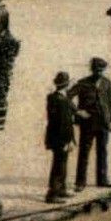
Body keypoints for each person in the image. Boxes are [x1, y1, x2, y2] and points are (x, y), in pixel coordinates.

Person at [70, 57, 111, 191]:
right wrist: (77, 111)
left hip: (103, 123)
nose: (99, 73)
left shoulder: (107, 83)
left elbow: (110, 102)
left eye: (101, 70)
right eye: (97, 70)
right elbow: (67, 96)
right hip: (88, 123)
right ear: (92, 69)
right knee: (84, 152)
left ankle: (102, 180)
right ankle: (80, 182)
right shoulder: (83, 83)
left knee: (102, 152)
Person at [44, 71, 75, 202]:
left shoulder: (54, 97)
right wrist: (67, 140)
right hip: (61, 138)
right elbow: (64, 123)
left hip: (55, 136)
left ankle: (61, 190)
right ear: (67, 85)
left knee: (62, 163)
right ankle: (53, 194)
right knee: (59, 165)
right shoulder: (61, 100)